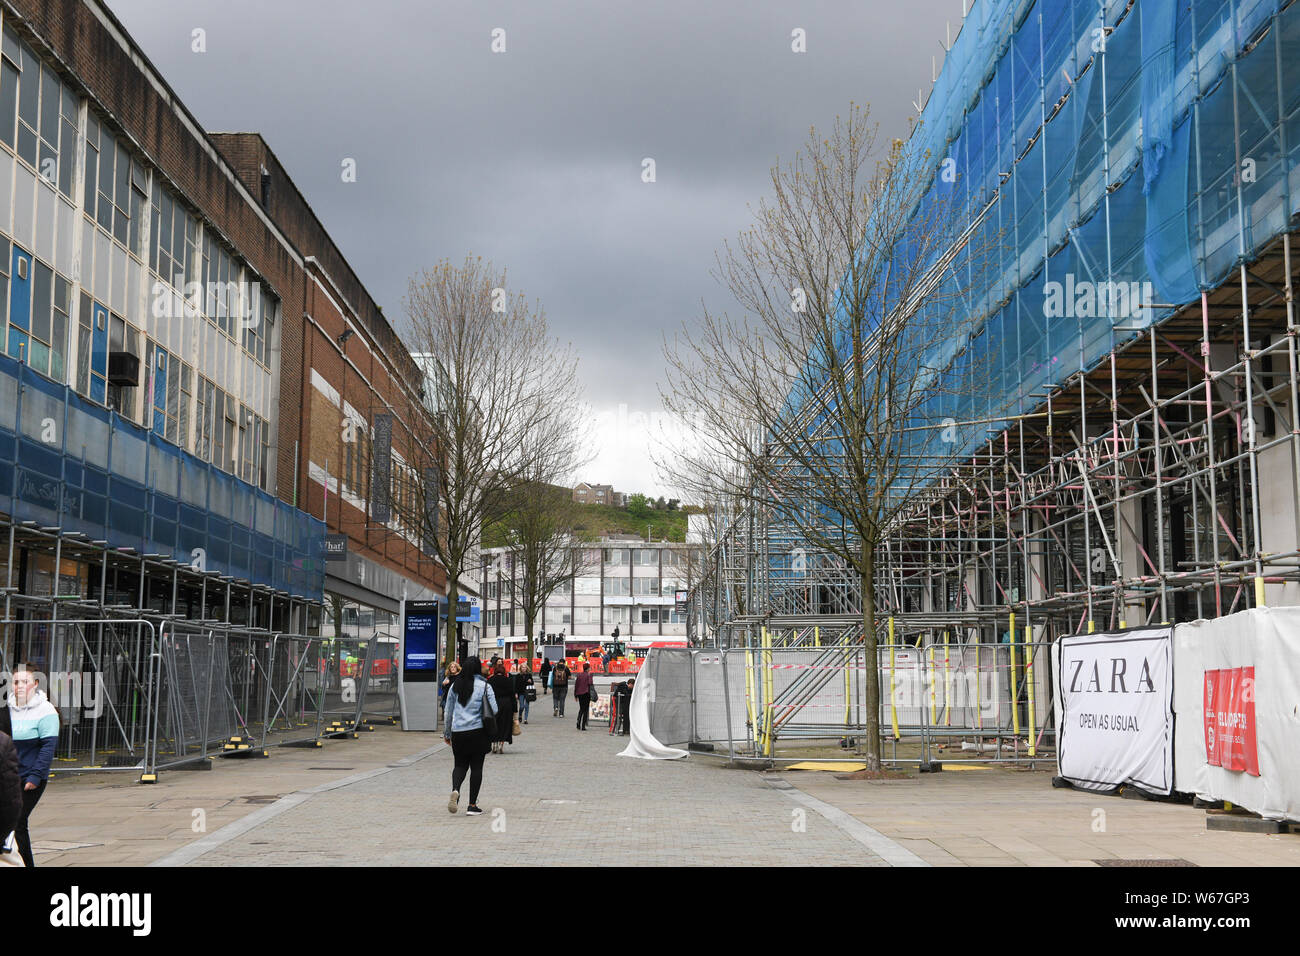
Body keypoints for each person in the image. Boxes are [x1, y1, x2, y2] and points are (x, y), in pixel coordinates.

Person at [10, 664, 59, 866]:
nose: (19, 686)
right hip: (9, 776)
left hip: (30, 776)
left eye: (25, 682)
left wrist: (36, 776)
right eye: (15, 682)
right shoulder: (7, 709)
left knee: (18, 822)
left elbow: (48, 747)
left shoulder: (46, 711)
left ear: (35, 684)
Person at [442, 657, 495, 816]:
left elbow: (448, 711)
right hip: (478, 732)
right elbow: (494, 708)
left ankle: (455, 789)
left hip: (458, 732)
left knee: (459, 765)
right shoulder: (485, 686)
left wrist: (447, 733)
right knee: (476, 767)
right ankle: (472, 805)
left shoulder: (454, 686)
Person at [487, 661, 516, 754]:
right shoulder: (508, 680)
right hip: (506, 704)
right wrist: (515, 709)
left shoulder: (490, 680)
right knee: (504, 725)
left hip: (494, 703)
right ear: (504, 672)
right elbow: (512, 695)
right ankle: (501, 744)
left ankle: (494, 743)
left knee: (494, 724)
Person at [573, 663, 594, 731]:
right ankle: (583, 726)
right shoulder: (588, 675)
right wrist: (591, 676)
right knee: (585, 710)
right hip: (586, 693)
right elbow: (590, 683)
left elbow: (576, 685)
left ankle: (578, 723)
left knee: (581, 709)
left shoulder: (579, 675)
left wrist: (575, 695)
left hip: (579, 694)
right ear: (588, 668)